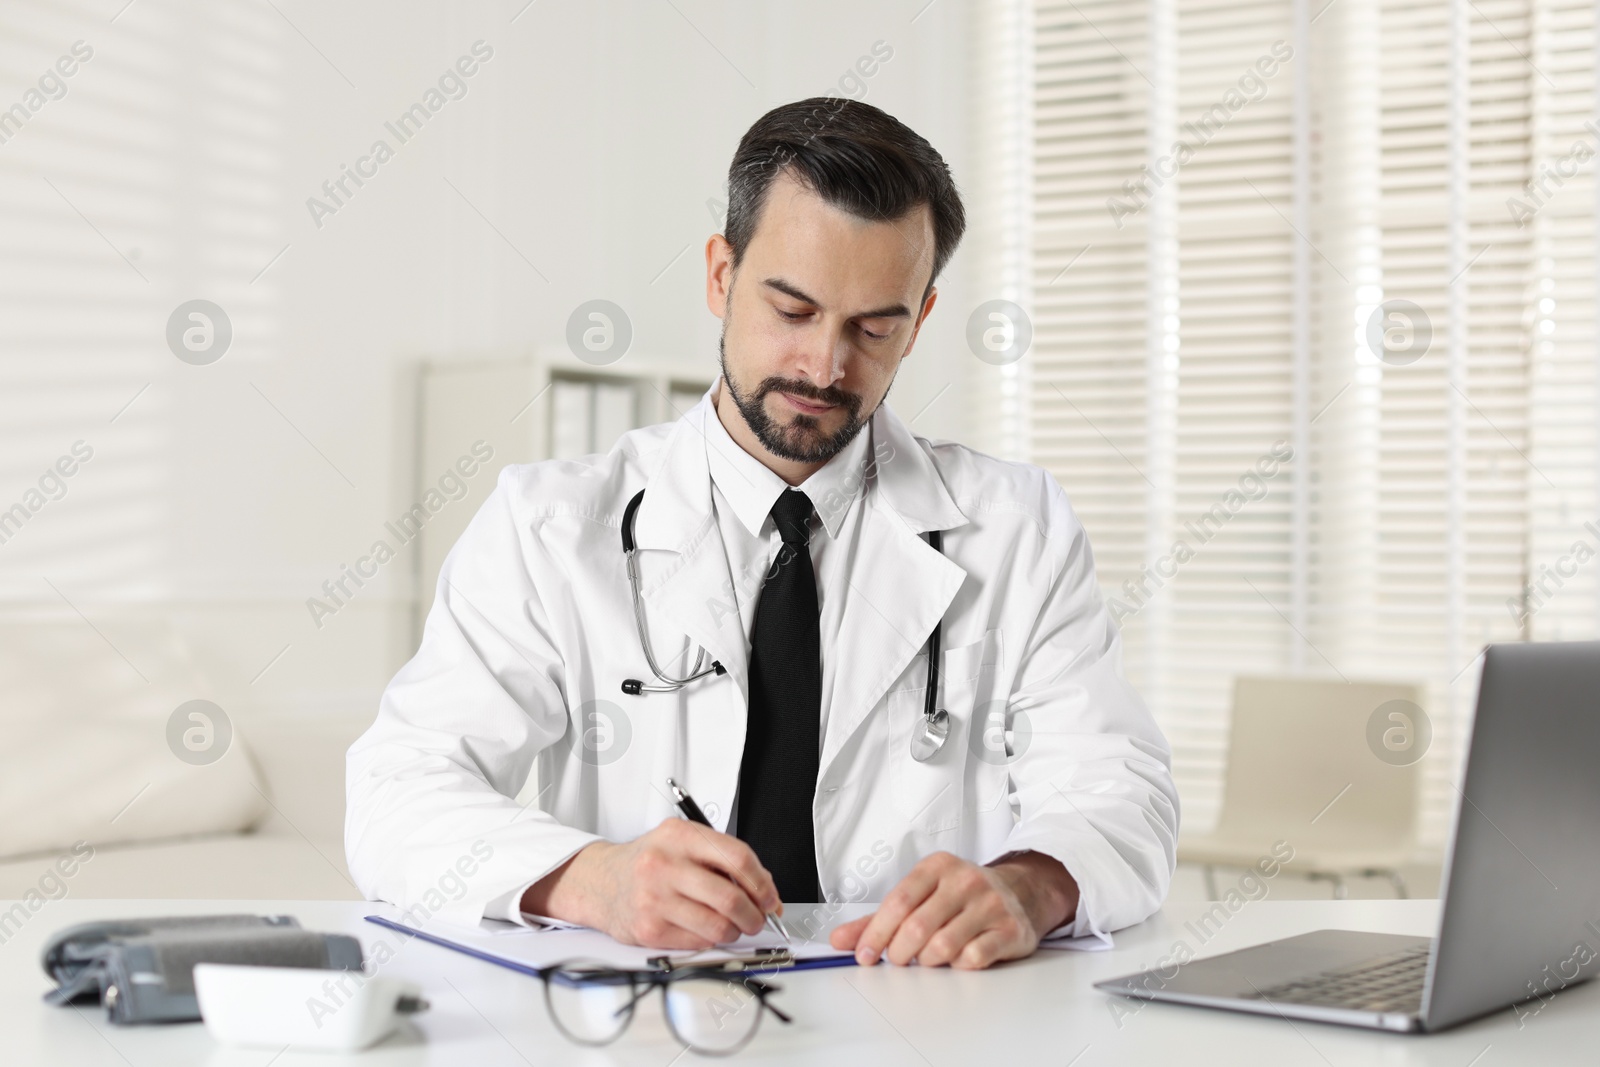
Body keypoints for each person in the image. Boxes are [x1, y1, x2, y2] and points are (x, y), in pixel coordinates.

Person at [346, 97, 1178, 970]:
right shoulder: (549, 526)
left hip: (924, 1014)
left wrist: (1030, 883)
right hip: (650, 1025)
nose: (825, 366)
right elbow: (396, 792)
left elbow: (1120, 791)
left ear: (922, 320)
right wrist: (593, 880)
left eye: (874, 328)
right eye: (792, 309)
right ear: (720, 275)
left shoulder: (1016, 528)